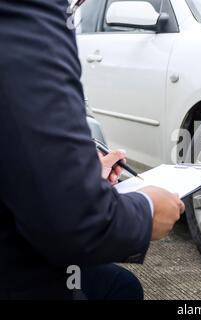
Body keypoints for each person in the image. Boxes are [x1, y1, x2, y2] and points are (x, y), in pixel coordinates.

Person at [0, 0, 184, 300]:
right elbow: (73, 221)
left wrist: (78, 171)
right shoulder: (27, 11)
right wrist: (148, 210)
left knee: (120, 284)